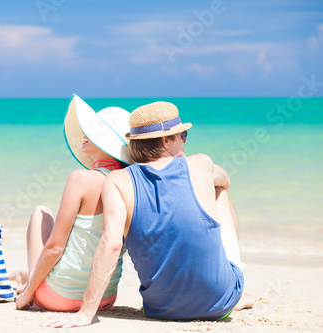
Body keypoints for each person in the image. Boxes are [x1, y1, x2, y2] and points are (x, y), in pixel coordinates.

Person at [42, 101, 254, 328]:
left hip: (160, 309)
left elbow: (111, 244)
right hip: (220, 304)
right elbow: (225, 181)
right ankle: (234, 287)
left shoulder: (117, 181)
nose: (184, 139)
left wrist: (86, 313)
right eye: (182, 135)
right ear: (165, 140)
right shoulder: (201, 163)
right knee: (219, 192)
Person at [13, 94, 133, 312]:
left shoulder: (81, 178)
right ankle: (25, 276)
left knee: (41, 212)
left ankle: (27, 280)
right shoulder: (132, 183)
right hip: (105, 297)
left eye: (94, 132)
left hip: (59, 297)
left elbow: (54, 248)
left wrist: (28, 295)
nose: (85, 134)